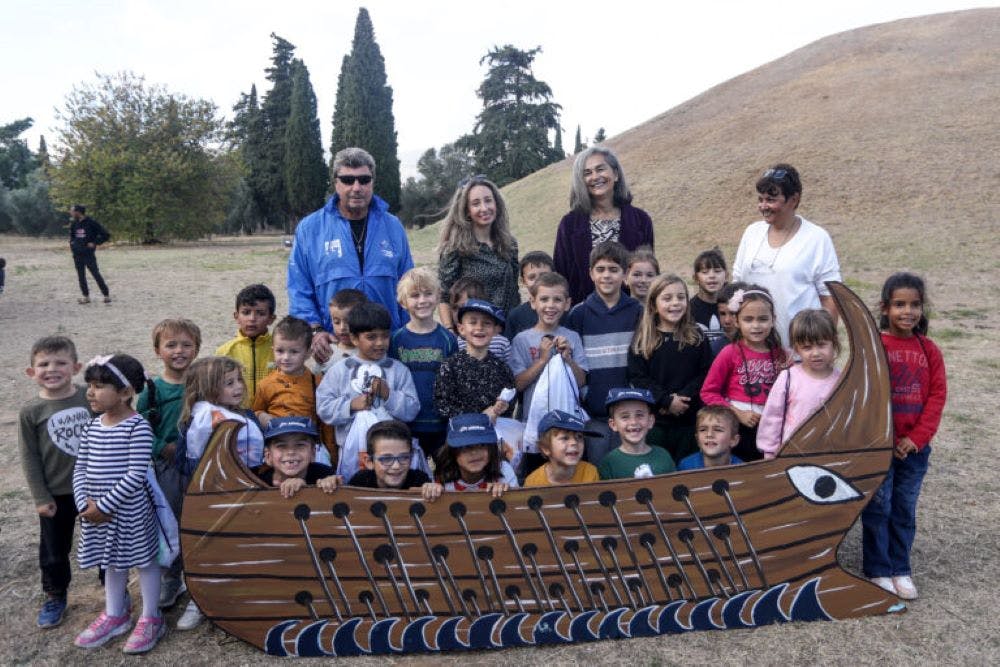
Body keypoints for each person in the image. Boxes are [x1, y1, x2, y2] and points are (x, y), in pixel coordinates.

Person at [862, 273, 947, 601]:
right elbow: (865, 394)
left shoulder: (929, 350)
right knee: (877, 509)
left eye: (914, 305)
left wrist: (917, 438)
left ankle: (900, 568)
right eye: (899, 304)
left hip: (914, 449)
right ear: (885, 308)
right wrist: (884, 438)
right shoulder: (876, 346)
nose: (907, 311)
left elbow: (937, 396)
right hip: (881, 446)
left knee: (903, 509)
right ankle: (878, 569)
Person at [72, 355, 163, 653]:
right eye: (90, 385)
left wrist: (106, 505)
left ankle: (151, 617)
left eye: (99, 386)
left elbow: (136, 473)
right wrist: (83, 503)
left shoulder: (137, 427)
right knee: (110, 561)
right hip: (96, 513)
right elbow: (80, 467)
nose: (90, 392)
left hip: (129, 512)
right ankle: (116, 614)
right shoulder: (91, 426)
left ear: (125, 392)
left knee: (145, 561)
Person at [288, 147, 414, 363]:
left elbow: (408, 286)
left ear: (372, 181)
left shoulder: (393, 226)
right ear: (336, 183)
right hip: (335, 347)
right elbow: (299, 288)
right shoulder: (310, 229)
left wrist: (408, 332)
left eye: (364, 180)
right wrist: (315, 329)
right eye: (348, 180)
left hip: (386, 345)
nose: (356, 187)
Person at [173, 355, 265, 631]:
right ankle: (198, 601)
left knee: (241, 547)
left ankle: (240, 597)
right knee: (208, 550)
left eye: (238, 380)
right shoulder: (195, 422)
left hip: (248, 492)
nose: (238, 387)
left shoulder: (246, 415)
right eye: (228, 383)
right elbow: (184, 461)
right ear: (207, 388)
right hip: (211, 496)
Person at [18, 336, 91, 628]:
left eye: (61, 362)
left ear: (76, 367)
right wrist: (40, 497)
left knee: (103, 542)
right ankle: (55, 594)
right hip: (56, 495)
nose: (52, 369)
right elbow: (30, 457)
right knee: (53, 550)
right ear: (31, 372)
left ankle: (114, 588)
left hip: (93, 489)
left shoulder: (89, 396)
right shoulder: (31, 411)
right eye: (43, 364)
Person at [732, 164, 841, 347]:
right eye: (761, 199)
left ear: (794, 199)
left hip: (798, 353)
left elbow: (830, 297)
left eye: (771, 200)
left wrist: (821, 345)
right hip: (755, 352)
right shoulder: (751, 233)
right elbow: (737, 286)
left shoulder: (816, 238)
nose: (763, 206)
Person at [135, 318, 201, 609]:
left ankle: (201, 576)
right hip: (167, 467)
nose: (179, 351)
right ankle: (173, 577)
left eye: (186, 344)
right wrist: (162, 448)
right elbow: (139, 431)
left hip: (200, 464)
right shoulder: (152, 391)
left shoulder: (202, 384)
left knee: (199, 517)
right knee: (172, 521)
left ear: (196, 349)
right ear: (157, 350)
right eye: (171, 345)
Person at [565, 241, 643, 462]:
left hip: (628, 412)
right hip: (593, 411)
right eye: (600, 269)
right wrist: (587, 394)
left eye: (613, 269)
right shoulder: (578, 315)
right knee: (598, 466)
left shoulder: (638, 312)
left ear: (625, 273)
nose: (606, 276)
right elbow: (573, 362)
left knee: (626, 467)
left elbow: (643, 359)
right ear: (591, 273)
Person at [627, 274, 713, 463]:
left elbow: (706, 373)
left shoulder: (697, 337)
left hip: (689, 421)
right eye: (667, 298)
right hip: (656, 422)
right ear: (653, 305)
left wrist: (681, 400)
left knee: (687, 468)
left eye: (681, 297)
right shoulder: (643, 340)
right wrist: (665, 401)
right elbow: (638, 377)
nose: (675, 303)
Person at [554, 147, 654, 305]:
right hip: (582, 318)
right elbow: (560, 276)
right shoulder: (569, 225)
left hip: (633, 315)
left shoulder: (641, 220)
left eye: (600, 169)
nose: (595, 177)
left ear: (615, 174)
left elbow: (648, 271)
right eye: (587, 173)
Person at [510, 271, 588, 474]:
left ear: (567, 303)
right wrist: (543, 359)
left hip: (569, 425)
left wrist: (567, 358)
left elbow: (581, 381)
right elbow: (518, 384)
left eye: (557, 300)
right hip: (534, 424)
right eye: (544, 299)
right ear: (533, 302)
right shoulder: (522, 339)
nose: (551, 305)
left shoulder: (572, 337)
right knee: (535, 477)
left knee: (569, 475)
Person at [701, 286, 788, 462]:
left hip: (774, 429)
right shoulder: (729, 352)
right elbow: (708, 392)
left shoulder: (781, 355)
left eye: (763, 319)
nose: (756, 325)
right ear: (737, 321)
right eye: (748, 319)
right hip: (738, 428)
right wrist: (737, 413)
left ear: (773, 320)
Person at [315, 302, 419, 447]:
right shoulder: (339, 370)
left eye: (385, 336)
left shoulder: (399, 370)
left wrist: (389, 395)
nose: (380, 343)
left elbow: (412, 410)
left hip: (392, 450)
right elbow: (323, 408)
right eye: (371, 337)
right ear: (354, 339)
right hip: (352, 451)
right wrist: (350, 405)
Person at [389, 267, 458, 458]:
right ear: (403, 302)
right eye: (414, 295)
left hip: (439, 422)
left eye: (428, 294)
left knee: (442, 475)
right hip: (407, 423)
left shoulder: (447, 339)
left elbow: (453, 382)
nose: (422, 300)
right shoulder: (396, 339)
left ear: (437, 297)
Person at [757, 310, 842, 459]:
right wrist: (770, 452)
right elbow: (772, 417)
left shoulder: (841, 380)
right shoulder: (788, 378)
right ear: (796, 349)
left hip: (830, 456)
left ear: (833, 343)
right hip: (792, 457)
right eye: (807, 347)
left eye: (821, 345)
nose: (815, 353)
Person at [437, 176, 520, 328]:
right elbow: (444, 296)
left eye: (488, 200)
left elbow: (514, 290)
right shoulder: (455, 248)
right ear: (467, 211)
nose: (484, 208)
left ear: (496, 203)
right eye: (476, 203)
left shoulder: (509, 244)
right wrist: (451, 332)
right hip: (473, 334)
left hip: (508, 333)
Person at [253, 316, 334, 464]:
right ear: (273, 350)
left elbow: (326, 423)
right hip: (278, 449)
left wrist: (333, 458)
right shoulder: (265, 384)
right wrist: (261, 416)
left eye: (294, 352)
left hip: (309, 448)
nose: (286, 357)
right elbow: (254, 415)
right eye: (280, 351)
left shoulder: (317, 382)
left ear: (309, 353)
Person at [434, 299, 515, 422]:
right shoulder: (450, 366)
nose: (479, 327)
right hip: (460, 436)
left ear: (495, 330)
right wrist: (479, 417)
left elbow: (509, 406)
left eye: (486, 323)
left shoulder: (503, 369)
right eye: (472, 322)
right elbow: (442, 406)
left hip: (492, 436)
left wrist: (500, 407)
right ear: (461, 329)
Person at [346, 420, 440, 501]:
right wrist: (332, 485)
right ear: (369, 462)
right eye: (386, 459)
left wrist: (432, 489)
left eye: (404, 457)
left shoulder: (419, 481)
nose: (396, 466)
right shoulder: (360, 483)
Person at [215, 284, 276, 405]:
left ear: (271, 318)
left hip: (272, 413)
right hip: (237, 414)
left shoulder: (279, 349)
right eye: (246, 312)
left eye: (260, 313)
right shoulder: (224, 352)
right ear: (236, 316)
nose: (252, 318)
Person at [252, 417, 340, 499]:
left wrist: (331, 486)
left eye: (300, 445)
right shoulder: (255, 482)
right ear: (268, 456)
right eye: (281, 446)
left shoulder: (325, 474)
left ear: (313, 453)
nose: (291, 452)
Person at [598, 388, 675, 480]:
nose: (633, 422)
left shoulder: (663, 456)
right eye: (625, 416)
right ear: (613, 424)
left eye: (639, 415)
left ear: (651, 420)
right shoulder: (608, 463)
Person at [436, 413, 518, 496]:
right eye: (466, 447)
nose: (474, 452)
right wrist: (431, 490)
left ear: (491, 449)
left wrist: (507, 493)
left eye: (481, 445)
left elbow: (518, 505)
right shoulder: (443, 477)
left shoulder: (503, 470)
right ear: (452, 452)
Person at [524, 410, 601, 486]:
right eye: (565, 438)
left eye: (579, 437)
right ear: (546, 448)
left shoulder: (589, 473)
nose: (574, 442)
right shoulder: (533, 483)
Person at [448, 277, 511, 362]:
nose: (459, 312)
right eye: (455, 308)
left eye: (464, 307)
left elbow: (510, 373)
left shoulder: (501, 344)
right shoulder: (451, 342)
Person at [504, 251, 556, 341]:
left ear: (554, 276)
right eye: (532, 277)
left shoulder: (564, 311)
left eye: (544, 275)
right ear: (523, 281)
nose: (538, 281)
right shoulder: (516, 316)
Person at [677, 405, 745, 470]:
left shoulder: (742, 470)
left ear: (734, 440)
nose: (709, 434)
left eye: (718, 430)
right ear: (697, 439)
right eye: (703, 430)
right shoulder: (686, 466)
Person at [316, 289, 368, 372]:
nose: (342, 327)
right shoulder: (326, 353)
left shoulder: (370, 352)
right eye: (336, 322)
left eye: (348, 322)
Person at [68, 204, 111, 305]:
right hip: (77, 255)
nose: (71, 213)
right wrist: (72, 244)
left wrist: (95, 242)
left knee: (96, 274)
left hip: (88, 254)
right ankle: (86, 297)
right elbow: (72, 237)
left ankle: (106, 295)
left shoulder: (91, 223)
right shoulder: (74, 224)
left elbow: (106, 235)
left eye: (72, 211)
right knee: (81, 276)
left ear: (78, 212)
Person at [690, 247, 729, 352]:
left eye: (717, 271)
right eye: (705, 272)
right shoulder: (688, 309)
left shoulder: (732, 307)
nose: (712, 276)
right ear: (696, 278)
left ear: (726, 276)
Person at [713, 282, 748, 356]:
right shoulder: (714, 349)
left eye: (733, 313)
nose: (727, 320)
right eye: (722, 314)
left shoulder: (765, 347)